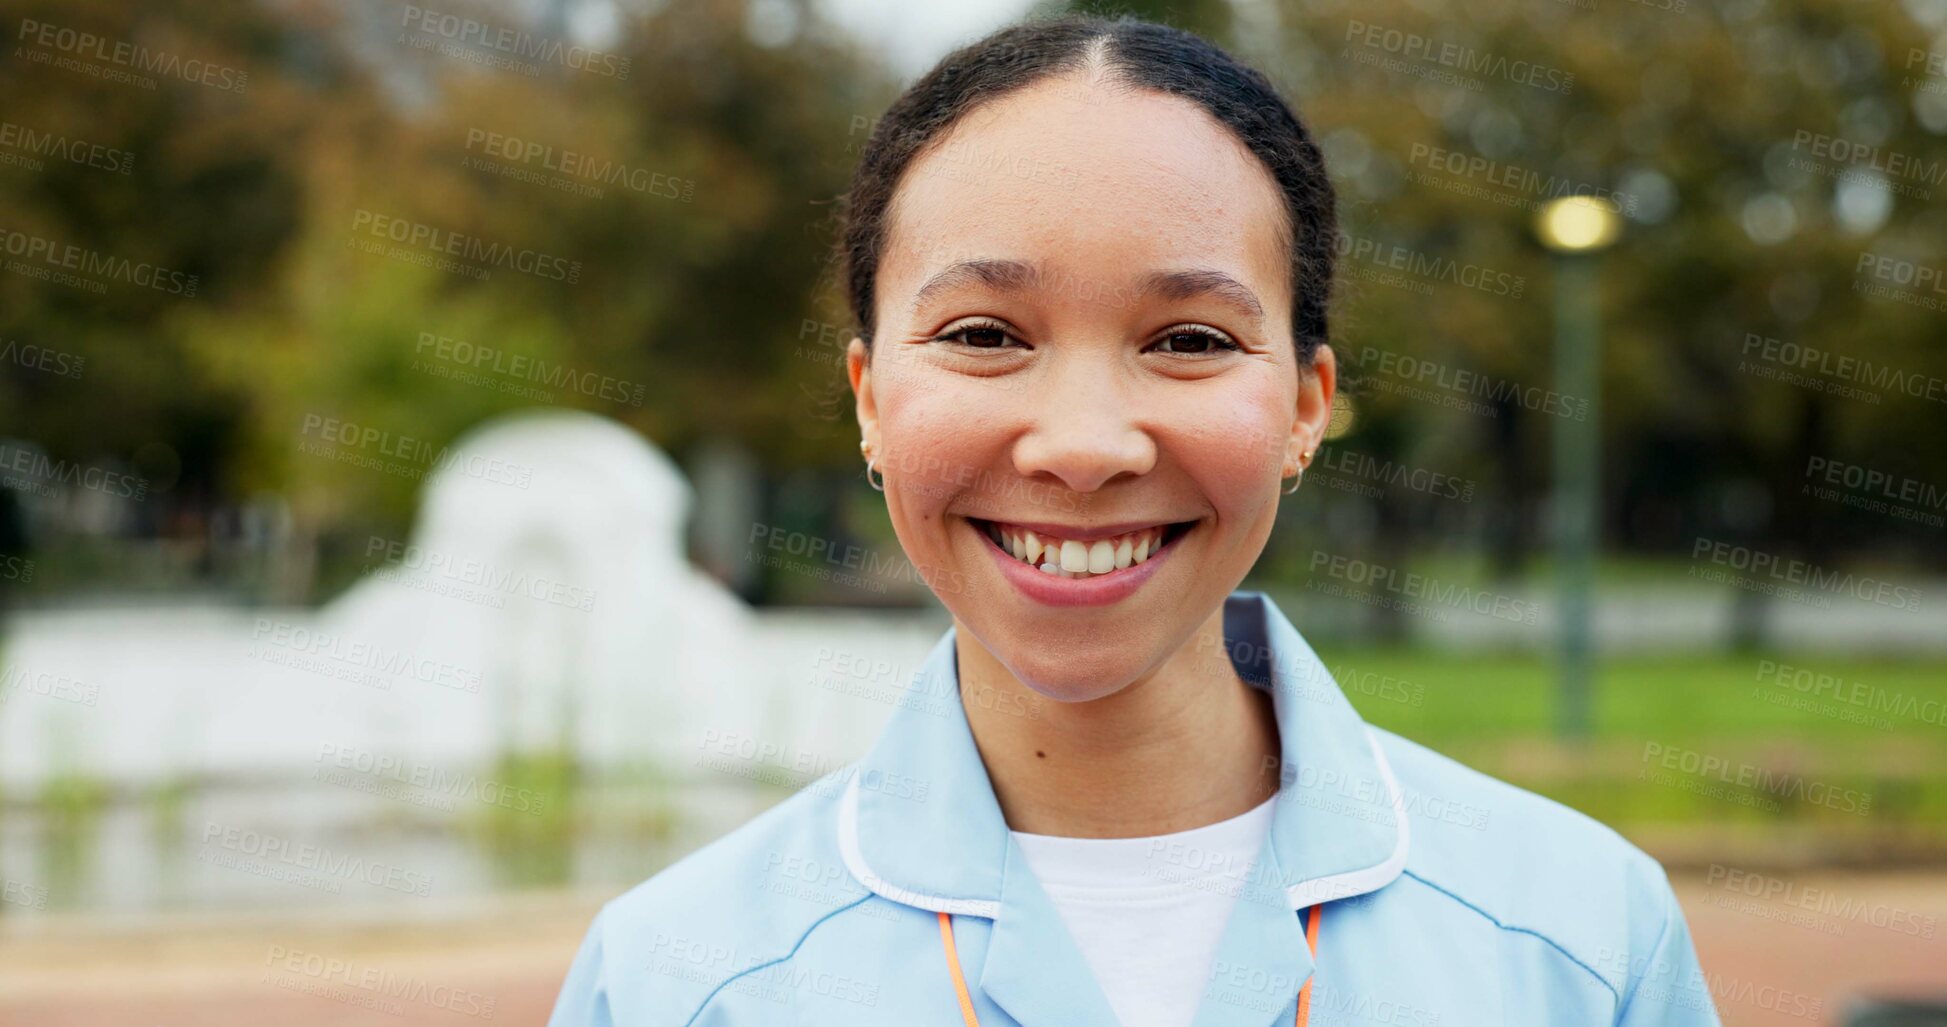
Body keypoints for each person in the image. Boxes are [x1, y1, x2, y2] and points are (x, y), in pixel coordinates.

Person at [549, 14, 1719, 1026]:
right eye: (984, 335)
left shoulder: (1575, 941)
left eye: (1189, 342)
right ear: (869, 397)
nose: (1084, 446)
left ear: (1307, 406)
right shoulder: (677, 979)